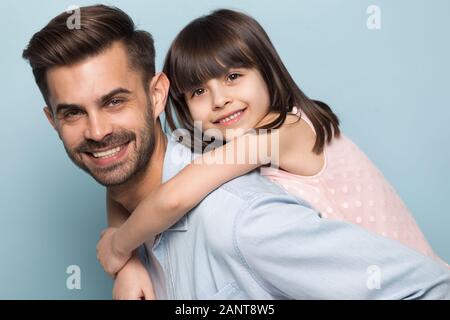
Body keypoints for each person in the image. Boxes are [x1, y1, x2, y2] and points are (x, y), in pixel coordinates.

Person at [22, 5, 450, 299]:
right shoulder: (200, 148)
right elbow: (121, 179)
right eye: (73, 113)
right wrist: (128, 259)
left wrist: (118, 247)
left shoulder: (243, 209)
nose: (97, 131)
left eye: (115, 101)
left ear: (156, 97)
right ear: (53, 121)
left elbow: (174, 196)